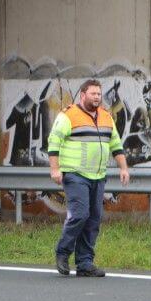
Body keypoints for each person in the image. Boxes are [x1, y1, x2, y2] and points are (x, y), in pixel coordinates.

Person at [48, 79, 130, 277]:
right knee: (80, 215)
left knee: (93, 219)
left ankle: (85, 263)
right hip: (75, 174)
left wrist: (123, 168)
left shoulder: (106, 117)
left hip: (98, 175)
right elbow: (54, 142)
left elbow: (116, 145)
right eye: (93, 94)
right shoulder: (68, 115)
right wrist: (55, 170)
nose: (97, 97)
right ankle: (63, 251)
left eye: (99, 94)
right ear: (82, 95)